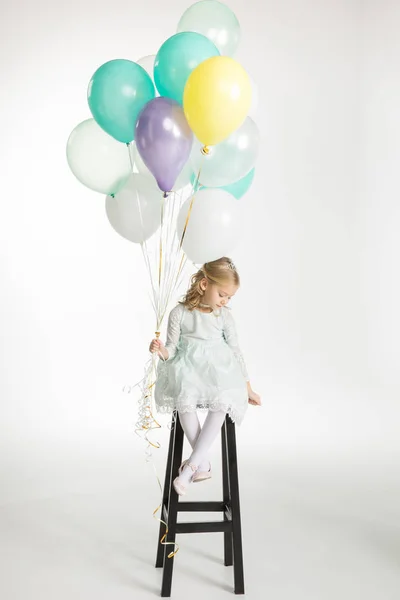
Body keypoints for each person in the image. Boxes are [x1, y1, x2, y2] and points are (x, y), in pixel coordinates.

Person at [149, 257, 261, 495]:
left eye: (229, 297)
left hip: (218, 371)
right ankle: (203, 462)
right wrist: (161, 351)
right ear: (203, 285)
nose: (225, 301)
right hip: (189, 368)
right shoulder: (179, 313)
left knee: (222, 400)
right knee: (184, 398)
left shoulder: (224, 317)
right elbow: (172, 348)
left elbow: (235, 352)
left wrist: (248, 387)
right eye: (222, 294)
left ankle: (191, 468)